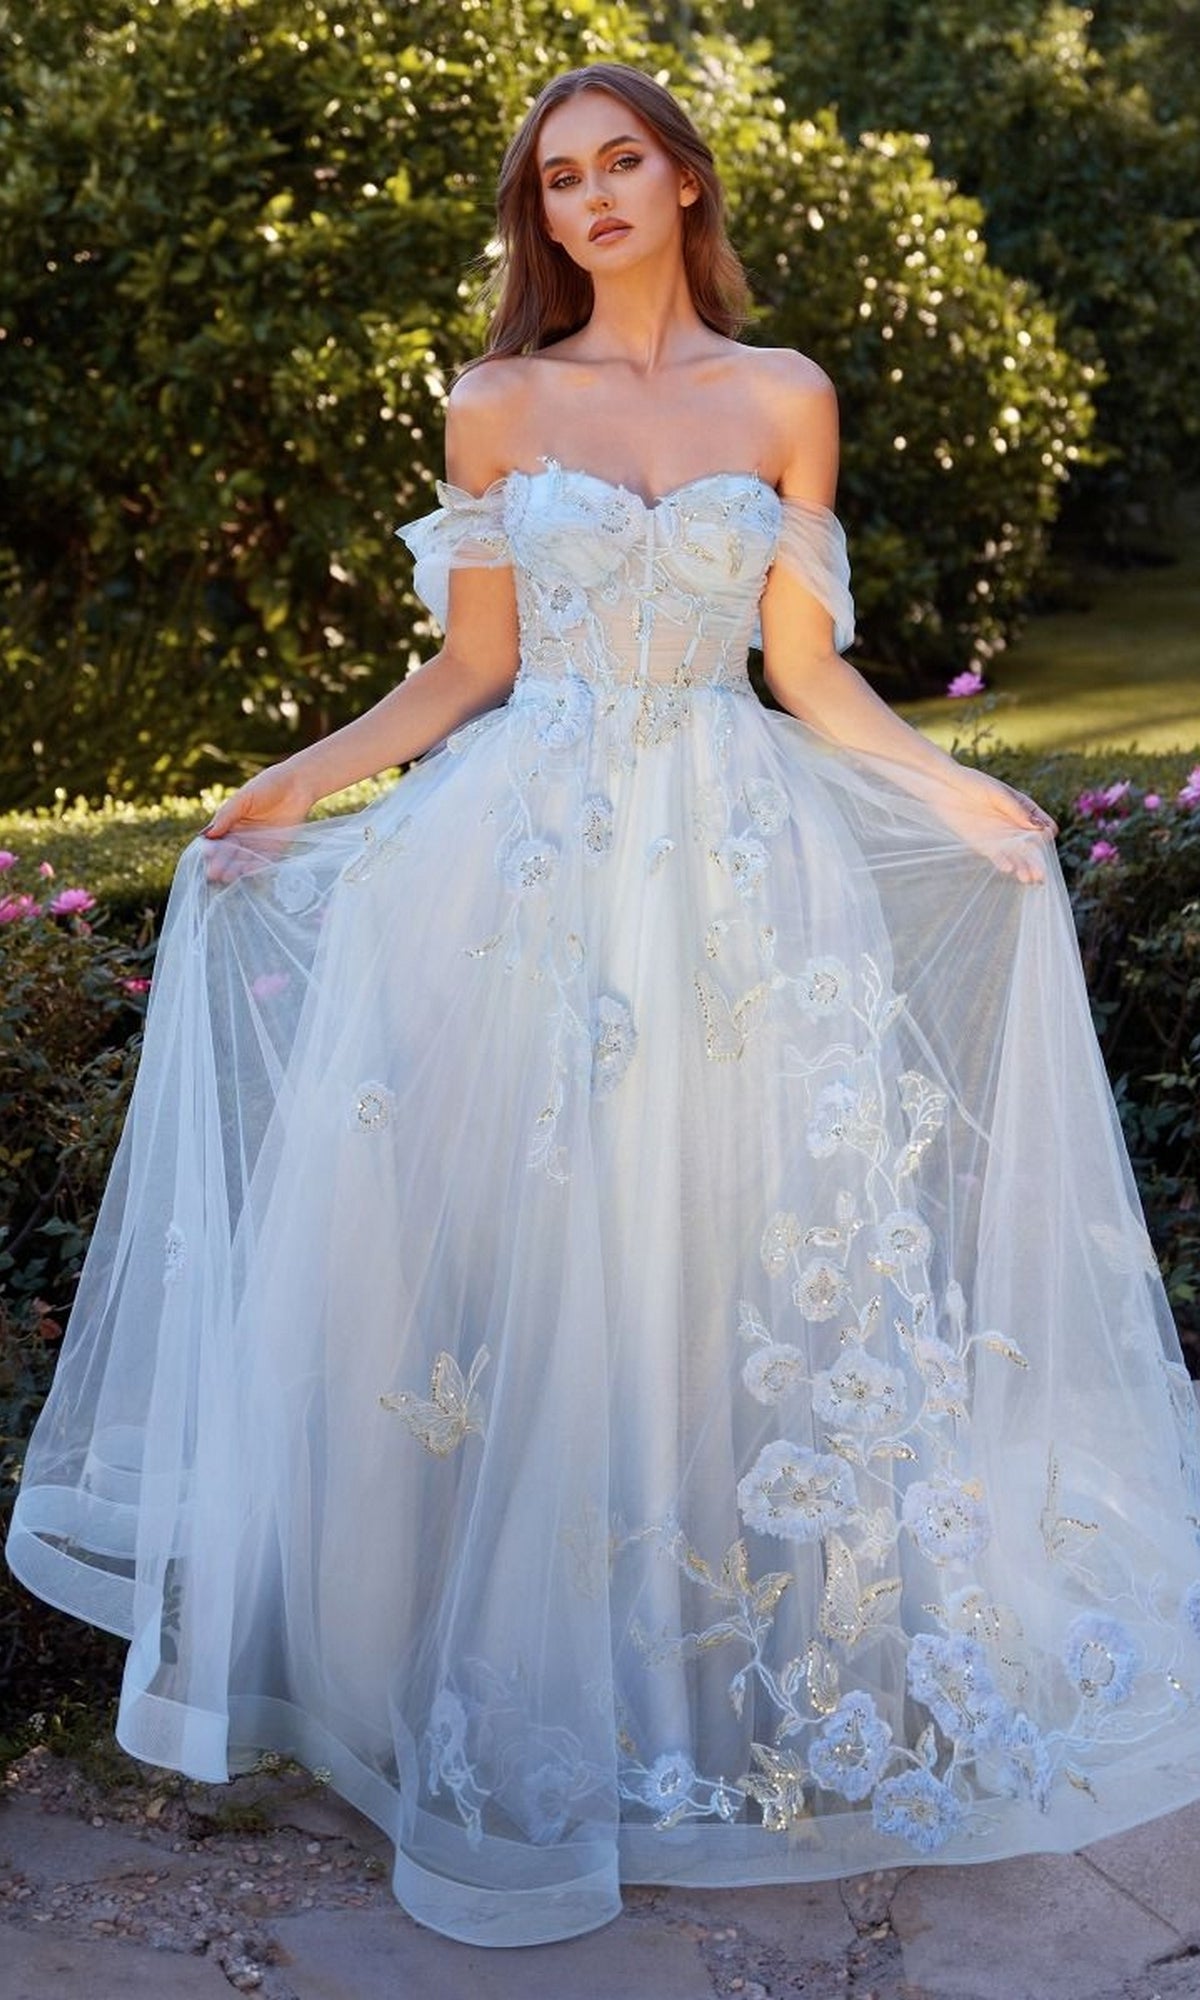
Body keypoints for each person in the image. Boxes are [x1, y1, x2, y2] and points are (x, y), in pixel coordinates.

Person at [9, 62, 1200, 1951]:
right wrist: (298, 782)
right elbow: (466, 670)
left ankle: (718, 1670)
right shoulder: (498, 404)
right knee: (526, 1258)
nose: (590, 200)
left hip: (731, 866)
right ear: (541, 216)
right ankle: (514, 1679)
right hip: (523, 875)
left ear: (684, 177)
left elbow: (808, 676)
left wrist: (958, 791)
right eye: (558, 180)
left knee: (725, 1244)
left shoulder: (786, 392)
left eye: (619, 161)